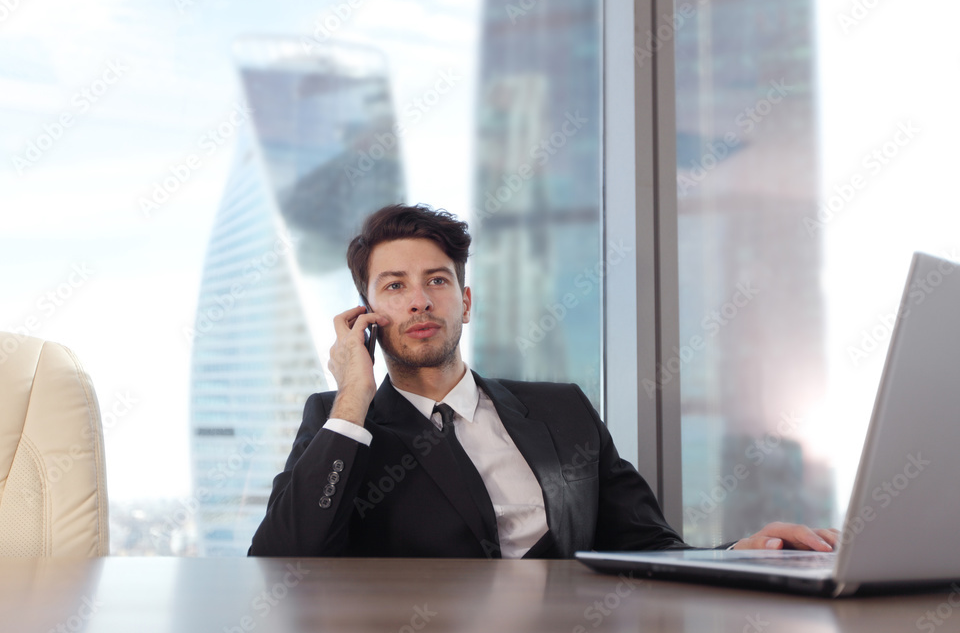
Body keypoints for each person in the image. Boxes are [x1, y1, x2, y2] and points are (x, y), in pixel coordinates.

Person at [249, 204, 839, 558]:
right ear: (367, 314)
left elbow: (648, 546)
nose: (420, 300)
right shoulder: (340, 425)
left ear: (466, 302)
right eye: (395, 286)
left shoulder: (564, 411)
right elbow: (282, 559)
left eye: (437, 281)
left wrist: (741, 554)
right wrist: (354, 396)